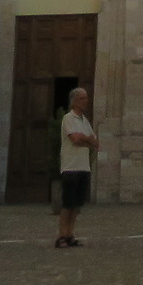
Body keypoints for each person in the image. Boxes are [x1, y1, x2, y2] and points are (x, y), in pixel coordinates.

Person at [55, 86, 97, 247]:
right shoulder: (68, 118)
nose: (86, 101)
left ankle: (70, 234)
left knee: (76, 205)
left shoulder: (85, 121)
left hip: (83, 167)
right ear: (73, 101)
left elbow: (95, 143)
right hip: (70, 167)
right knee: (67, 204)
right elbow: (75, 139)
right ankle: (61, 236)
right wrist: (87, 139)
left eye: (86, 98)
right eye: (82, 98)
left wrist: (86, 139)